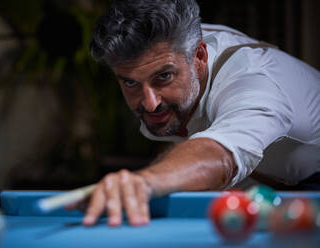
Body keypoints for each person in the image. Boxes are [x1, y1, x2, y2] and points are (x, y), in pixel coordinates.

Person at [77, 0, 320, 227]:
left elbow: (220, 155)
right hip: (274, 182)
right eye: (130, 83)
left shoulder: (253, 82)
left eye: (164, 76)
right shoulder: (171, 44)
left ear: (200, 57)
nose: (150, 104)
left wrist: (144, 182)